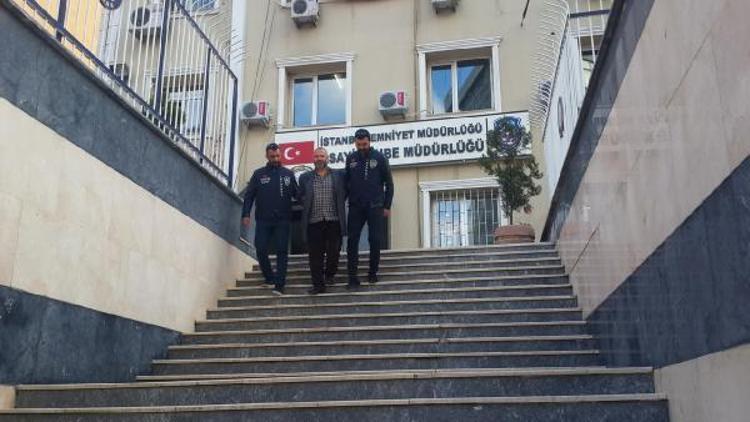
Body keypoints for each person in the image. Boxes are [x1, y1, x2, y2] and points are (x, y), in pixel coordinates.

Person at [241, 143, 298, 296]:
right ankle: (269, 278)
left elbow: (297, 195)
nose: (275, 158)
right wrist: (246, 214)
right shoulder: (258, 174)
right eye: (272, 156)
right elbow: (249, 196)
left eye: (277, 156)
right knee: (260, 248)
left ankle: (279, 285)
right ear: (267, 156)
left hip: (283, 220)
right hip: (263, 219)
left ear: (281, 155)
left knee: (281, 252)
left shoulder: (288, 174)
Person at [345, 128, 394, 289]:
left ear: (369, 141)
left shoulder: (379, 158)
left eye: (364, 144)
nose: (362, 147)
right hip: (356, 207)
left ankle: (372, 273)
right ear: (355, 143)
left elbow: (389, 184)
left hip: (375, 207)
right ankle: (352, 277)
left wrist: (386, 205)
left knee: (375, 240)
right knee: (352, 241)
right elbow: (347, 183)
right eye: (359, 144)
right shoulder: (350, 159)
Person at [298, 148, 347, 295]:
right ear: (313, 159)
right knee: (315, 256)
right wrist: (306, 202)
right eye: (316, 156)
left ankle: (330, 273)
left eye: (322, 156)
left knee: (334, 252)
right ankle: (318, 285)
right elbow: (300, 195)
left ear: (327, 158)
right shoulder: (305, 177)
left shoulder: (339, 175)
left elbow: (345, 192)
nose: (319, 158)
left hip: (334, 220)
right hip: (313, 221)